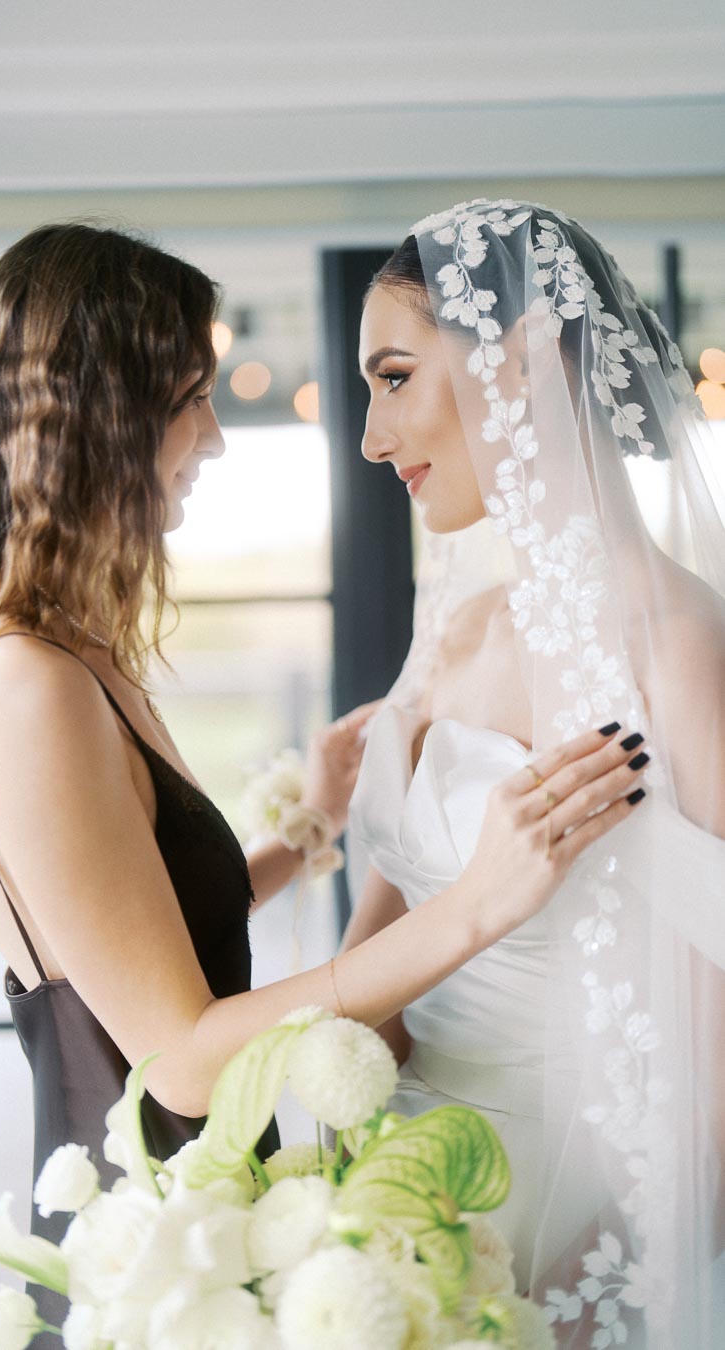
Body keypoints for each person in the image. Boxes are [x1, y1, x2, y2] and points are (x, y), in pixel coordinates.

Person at [0, 221, 647, 1339]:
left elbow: (125, 939)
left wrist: (301, 840)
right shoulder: (24, 683)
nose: (212, 438)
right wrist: (479, 903)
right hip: (160, 1259)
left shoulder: (52, 646)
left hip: (209, 1220)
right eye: (191, 396)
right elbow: (186, 1065)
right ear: (100, 411)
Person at [345, 198, 725, 1347]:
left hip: (569, 1217)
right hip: (386, 1199)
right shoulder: (453, 620)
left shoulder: (675, 644)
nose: (372, 436)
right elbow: (378, 950)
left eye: (395, 377)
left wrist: (572, 1292)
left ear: (523, 359)